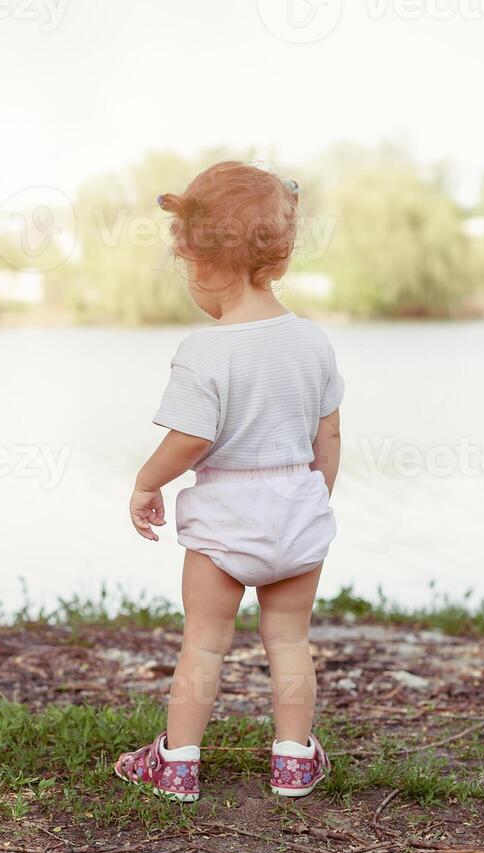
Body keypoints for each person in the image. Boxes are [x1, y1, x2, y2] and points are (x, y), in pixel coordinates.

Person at [115, 161, 343, 803]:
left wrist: (145, 482)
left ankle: (179, 763)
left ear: (209, 263)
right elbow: (328, 440)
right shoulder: (313, 343)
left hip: (224, 520)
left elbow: (191, 440)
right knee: (290, 640)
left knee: (205, 644)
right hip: (297, 506)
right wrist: (310, 499)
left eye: (187, 263)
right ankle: (294, 761)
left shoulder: (206, 350)